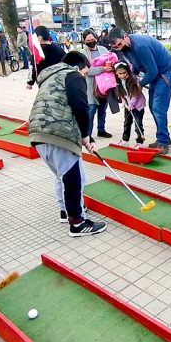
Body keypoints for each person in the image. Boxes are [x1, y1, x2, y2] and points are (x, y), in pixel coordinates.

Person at [28, 50, 106, 236]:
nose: (84, 77)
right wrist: (86, 135)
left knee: (61, 176)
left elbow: (62, 106)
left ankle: (66, 211)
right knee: (74, 180)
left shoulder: (50, 77)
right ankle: (78, 223)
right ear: (79, 67)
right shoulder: (73, 75)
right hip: (59, 134)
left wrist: (88, 137)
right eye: (86, 73)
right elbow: (80, 106)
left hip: (38, 133)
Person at [109, 27, 171, 153]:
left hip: (165, 73)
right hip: (156, 75)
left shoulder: (140, 46)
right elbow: (135, 65)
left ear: (125, 36)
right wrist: (132, 79)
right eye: (116, 47)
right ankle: (164, 138)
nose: (119, 48)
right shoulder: (125, 48)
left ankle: (163, 142)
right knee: (153, 107)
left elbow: (153, 71)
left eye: (119, 44)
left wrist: (139, 85)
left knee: (158, 108)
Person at [82, 29, 114, 138]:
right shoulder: (83, 53)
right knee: (91, 110)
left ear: (96, 38)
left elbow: (110, 62)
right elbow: (86, 71)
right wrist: (102, 69)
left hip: (104, 86)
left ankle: (101, 130)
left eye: (92, 39)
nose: (91, 41)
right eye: (88, 40)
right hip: (90, 87)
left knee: (103, 109)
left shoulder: (103, 49)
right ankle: (87, 134)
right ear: (84, 41)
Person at [114, 61, 146, 147]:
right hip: (128, 105)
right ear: (116, 73)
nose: (123, 75)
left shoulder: (134, 80)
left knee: (138, 124)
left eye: (124, 73)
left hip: (138, 105)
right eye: (120, 73)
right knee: (127, 122)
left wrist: (131, 105)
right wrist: (124, 103)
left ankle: (140, 142)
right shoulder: (118, 82)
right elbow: (122, 95)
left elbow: (135, 95)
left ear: (128, 71)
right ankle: (125, 140)